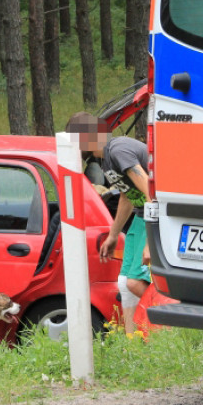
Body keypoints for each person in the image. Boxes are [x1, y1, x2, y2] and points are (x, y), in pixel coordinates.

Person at [66, 112, 150, 335]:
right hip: (141, 215)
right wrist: (113, 235)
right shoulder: (105, 160)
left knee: (135, 282)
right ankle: (133, 342)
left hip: (154, 216)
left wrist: (151, 241)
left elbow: (150, 190)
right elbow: (127, 196)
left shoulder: (118, 150)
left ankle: (170, 327)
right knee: (124, 283)